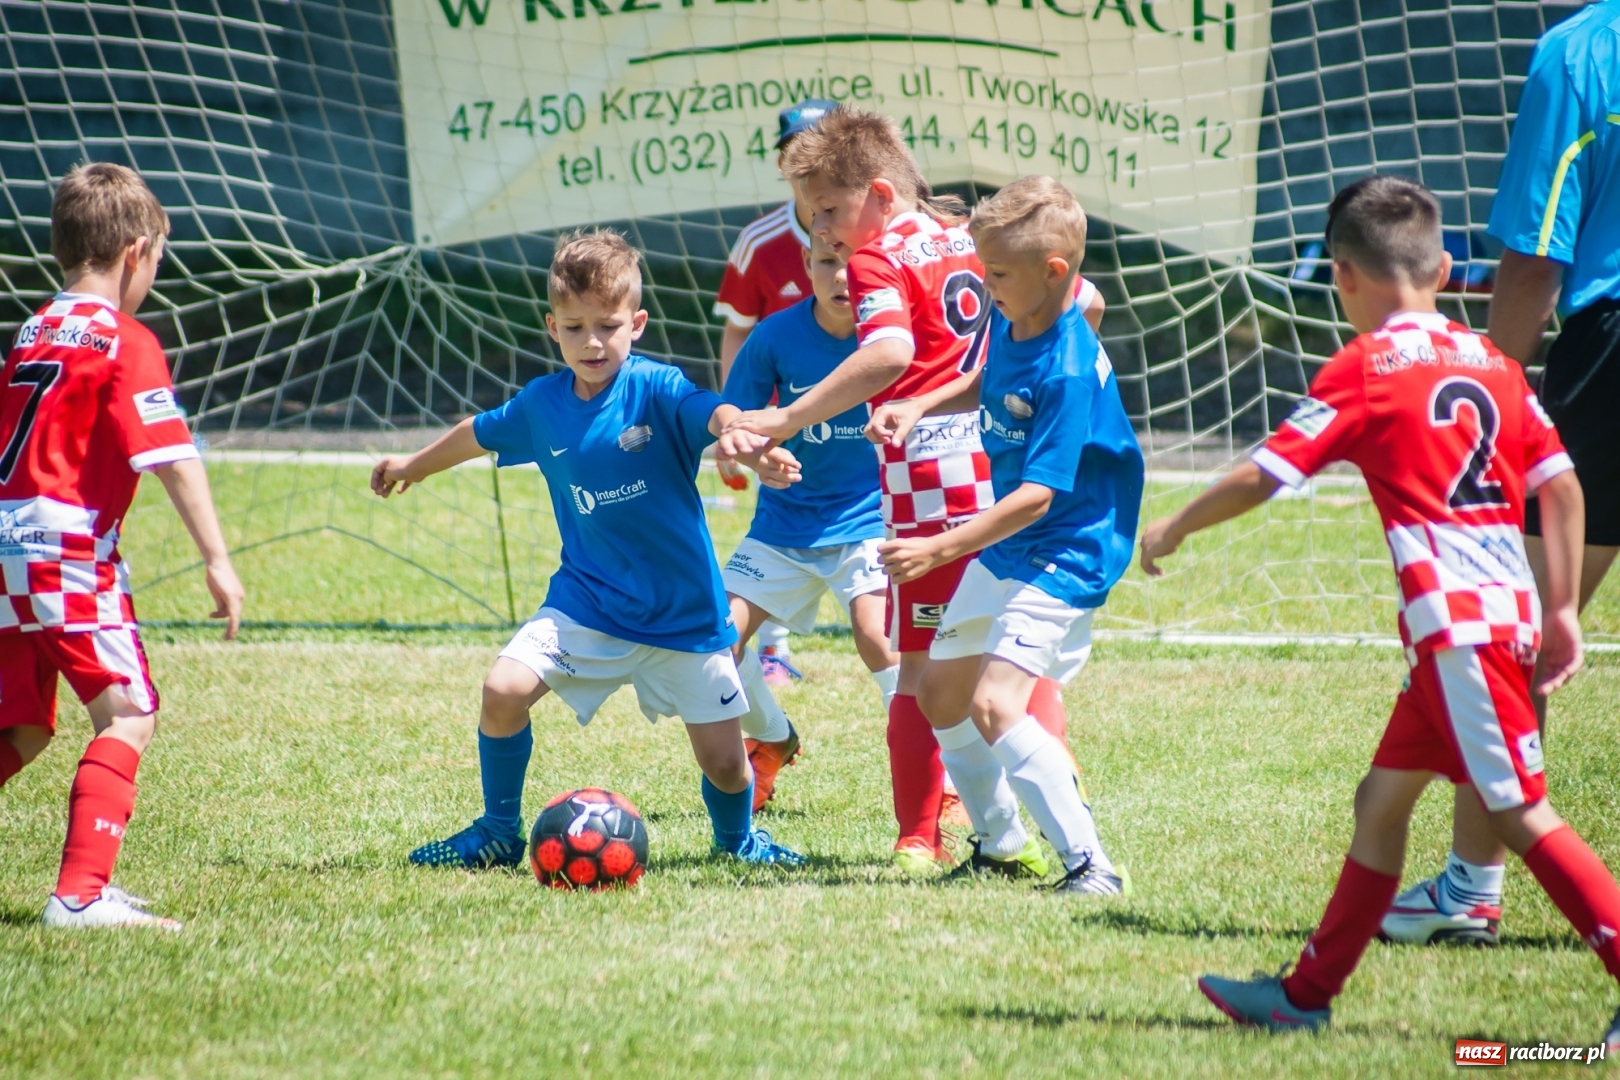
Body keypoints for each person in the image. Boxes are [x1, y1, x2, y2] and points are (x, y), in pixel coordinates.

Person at [1140, 176, 1620, 1044]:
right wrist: (1562, 610)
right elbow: (1564, 488)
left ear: (1343, 276)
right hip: (1493, 617)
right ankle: (1306, 995)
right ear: (1443, 269)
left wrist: (1174, 525)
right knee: (1380, 801)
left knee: (1518, 810)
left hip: (1459, 632)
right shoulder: (1497, 365)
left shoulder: (1367, 368)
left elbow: (1267, 472)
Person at [719, 105, 1103, 875]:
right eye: (810, 212)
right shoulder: (971, 234)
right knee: (992, 665)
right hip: (1002, 464)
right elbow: (1083, 301)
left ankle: (949, 836)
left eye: (829, 209)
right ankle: (1003, 837)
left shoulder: (878, 257)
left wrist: (789, 416)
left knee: (925, 670)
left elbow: (891, 349)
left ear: (882, 196)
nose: (819, 229)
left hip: (931, 483)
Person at [371, 230, 806, 870]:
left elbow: (709, 410)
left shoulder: (656, 388)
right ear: (552, 327)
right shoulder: (544, 404)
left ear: (637, 323)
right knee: (503, 688)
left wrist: (744, 437)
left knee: (725, 765)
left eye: (608, 325)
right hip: (589, 603)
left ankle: (738, 841)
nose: (592, 342)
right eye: (574, 328)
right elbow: (479, 433)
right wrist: (416, 463)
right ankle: (496, 832)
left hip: (681, 615)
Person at [1382, 0, 1620, 948]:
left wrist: (1480, 399)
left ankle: (1473, 887)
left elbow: (1533, 259)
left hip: (1610, 355)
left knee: (1505, 638)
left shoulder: (1586, 49)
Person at [877, 176, 1141, 892]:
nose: (984, 287)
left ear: (1054, 273)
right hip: (1014, 547)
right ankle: (998, 845)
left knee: (995, 703)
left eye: (995, 274)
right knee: (938, 691)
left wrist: (938, 547)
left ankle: (1092, 866)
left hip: (1067, 549)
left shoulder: (1067, 368)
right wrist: (919, 403)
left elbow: (1037, 496)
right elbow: (988, 381)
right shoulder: (1013, 314)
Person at [0, 162, 245, 930]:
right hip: (64, 549)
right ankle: (79, 896)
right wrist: (217, 557)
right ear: (137, 252)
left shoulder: (35, 327)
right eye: (160, 261)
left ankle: (84, 893)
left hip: (5, 545)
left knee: (24, 728)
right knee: (129, 714)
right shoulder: (125, 338)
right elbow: (170, 455)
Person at [719, 237, 899, 812]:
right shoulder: (774, 335)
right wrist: (755, 456)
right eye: (828, 262)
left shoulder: (896, 339)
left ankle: (940, 784)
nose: (844, 277)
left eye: (857, 265)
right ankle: (771, 736)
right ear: (807, 266)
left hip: (872, 517)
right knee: (715, 640)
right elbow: (734, 425)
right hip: (785, 524)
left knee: (879, 637)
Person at [713, 99, 839, 684]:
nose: (810, 165)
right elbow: (738, 334)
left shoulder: (879, 237)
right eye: (798, 152)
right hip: (781, 421)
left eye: (824, 151)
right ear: (782, 164)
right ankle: (774, 652)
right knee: (780, 515)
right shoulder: (758, 242)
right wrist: (734, 427)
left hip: (863, 423)